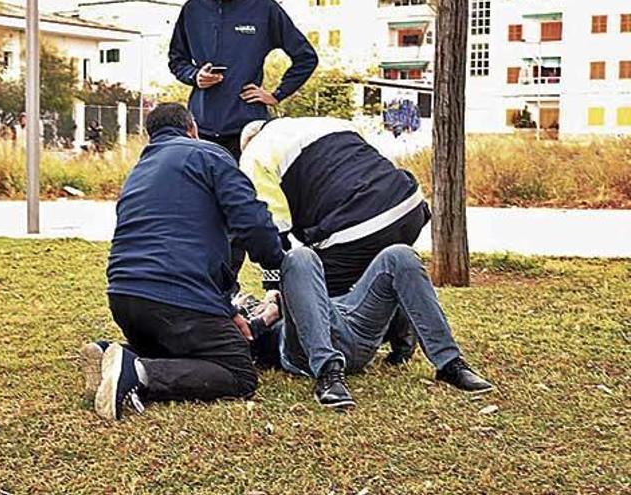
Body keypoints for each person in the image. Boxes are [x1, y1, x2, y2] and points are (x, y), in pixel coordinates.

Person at [80, 103, 285, 421]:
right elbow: (252, 223)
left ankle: (110, 352)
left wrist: (227, 311)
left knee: (184, 350)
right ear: (193, 128)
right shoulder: (209, 155)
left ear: (152, 135)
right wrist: (277, 263)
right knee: (238, 371)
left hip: (124, 299)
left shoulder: (139, 172)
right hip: (175, 297)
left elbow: (177, 248)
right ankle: (139, 371)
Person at [239, 116, 432, 365]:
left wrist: (275, 291)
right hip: (409, 206)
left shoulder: (255, 154)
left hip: (357, 224)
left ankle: (351, 349)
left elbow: (271, 229)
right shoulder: (327, 123)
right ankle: (402, 337)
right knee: (375, 273)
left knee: (314, 299)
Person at [254, 245, 495, 411]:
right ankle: (328, 374)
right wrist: (272, 301)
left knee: (400, 254)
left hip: (351, 316)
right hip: (308, 343)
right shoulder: (245, 305)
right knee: (299, 257)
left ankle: (449, 363)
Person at [168, 0, 318, 161]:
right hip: (200, 129)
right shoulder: (193, 8)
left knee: (246, 186)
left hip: (247, 132)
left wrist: (277, 94)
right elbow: (177, 59)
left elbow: (306, 58)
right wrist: (195, 76)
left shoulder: (265, 8)